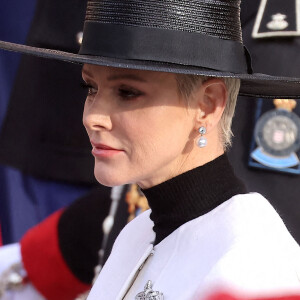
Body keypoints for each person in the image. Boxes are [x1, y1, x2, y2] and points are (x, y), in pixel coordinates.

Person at [1, 1, 300, 300]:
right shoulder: (138, 234)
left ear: (207, 104)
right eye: (90, 87)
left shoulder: (252, 269)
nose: (93, 117)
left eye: (127, 92)